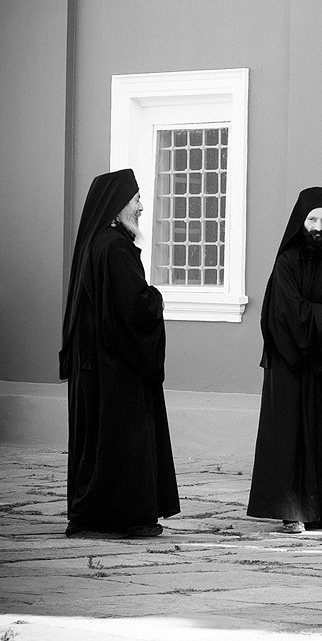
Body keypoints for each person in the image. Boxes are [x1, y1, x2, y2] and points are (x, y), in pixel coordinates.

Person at [59, 168, 180, 538]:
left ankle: (101, 515)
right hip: (116, 368)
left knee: (100, 443)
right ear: (116, 208)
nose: (142, 207)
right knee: (121, 443)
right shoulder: (114, 248)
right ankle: (123, 516)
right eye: (136, 199)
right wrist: (156, 297)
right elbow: (134, 310)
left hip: (99, 366)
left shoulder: (99, 245)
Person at [247, 187, 322, 533]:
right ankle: (290, 508)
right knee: (290, 434)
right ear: (301, 221)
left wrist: (318, 323)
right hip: (290, 361)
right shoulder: (286, 261)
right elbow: (285, 314)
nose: (318, 225)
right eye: (312, 218)